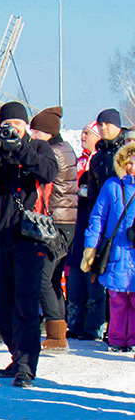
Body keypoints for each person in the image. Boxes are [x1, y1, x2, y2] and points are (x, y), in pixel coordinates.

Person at [0, 102, 59, 388]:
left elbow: (48, 173)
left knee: (26, 304)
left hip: (30, 239)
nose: (12, 130)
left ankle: (25, 366)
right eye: (7, 125)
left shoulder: (38, 147)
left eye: (17, 125)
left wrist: (20, 147)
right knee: (4, 306)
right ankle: (16, 355)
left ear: (25, 126)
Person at [70, 108, 125, 341]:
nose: (103, 129)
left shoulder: (125, 151)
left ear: (117, 126)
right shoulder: (99, 156)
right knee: (100, 272)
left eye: (107, 125)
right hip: (99, 216)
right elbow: (94, 191)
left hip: (122, 220)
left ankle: (113, 328)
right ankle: (98, 327)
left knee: (119, 279)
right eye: (100, 125)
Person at [29, 106, 77, 350]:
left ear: (46, 132)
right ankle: (59, 331)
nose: (32, 136)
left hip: (56, 222)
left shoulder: (54, 152)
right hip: (67, 221)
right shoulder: (66, 148)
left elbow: (43, 176)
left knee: (43, 279)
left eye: (35, 132)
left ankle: (57, 336)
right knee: (54, 279)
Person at [82, 141, 135, 354]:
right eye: (128, 163)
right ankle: (116, 338)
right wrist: (90, 247)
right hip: (116, 252)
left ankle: (132, 339)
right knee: (118, 299)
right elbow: (97, 217)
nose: (131, 167)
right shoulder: (112, 186)